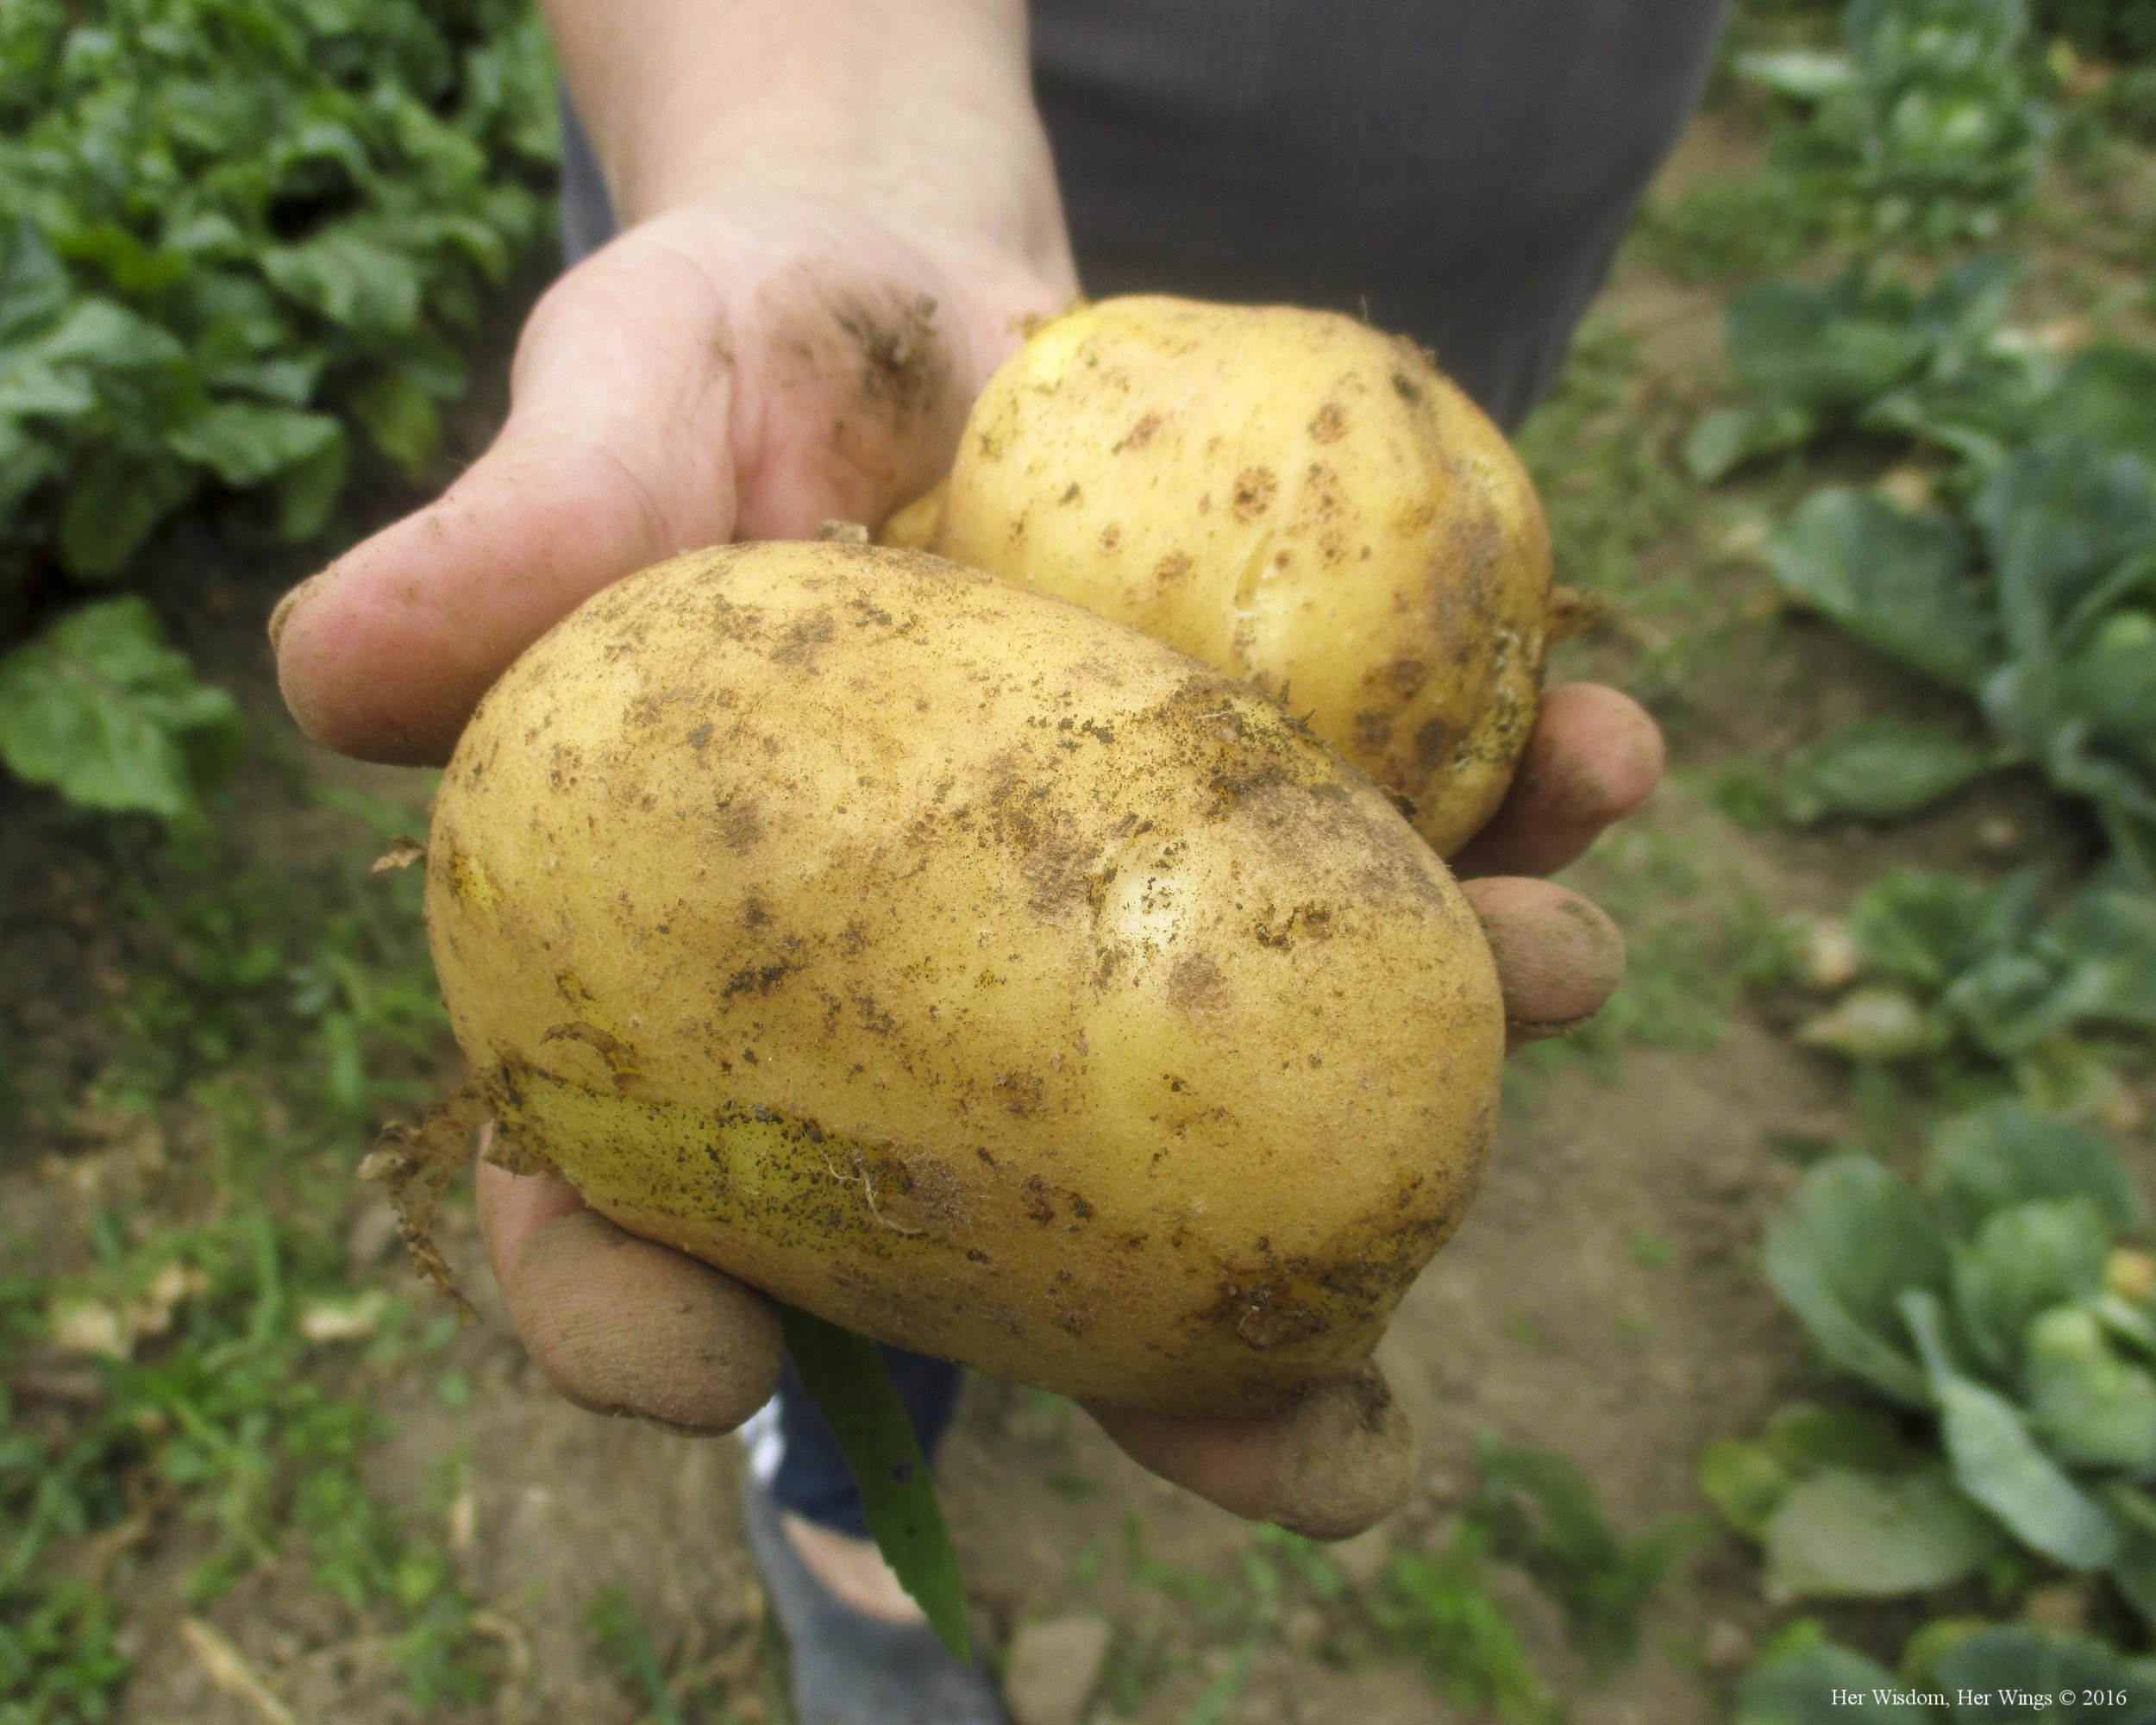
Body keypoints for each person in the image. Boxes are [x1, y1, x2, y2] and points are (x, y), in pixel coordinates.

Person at [271, 3, 1724, 1718]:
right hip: (921, 193)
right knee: (856, 1171)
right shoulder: (663, 697)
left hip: (1409, 386)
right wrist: (819, 145)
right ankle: (831, 1511)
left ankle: (841, 1490)